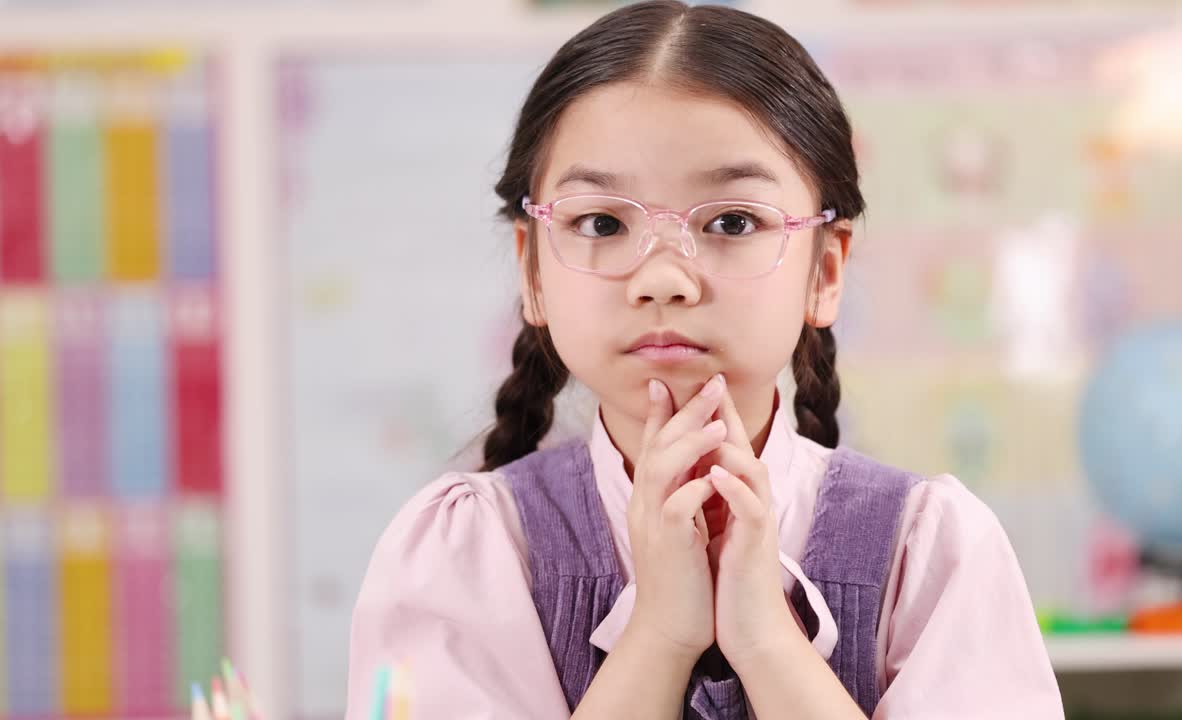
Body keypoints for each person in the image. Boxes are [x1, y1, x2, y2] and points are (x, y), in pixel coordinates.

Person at [347, 2, 1063, 717]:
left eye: (732, 221)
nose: (664, 278)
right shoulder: (465, 554)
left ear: (825, 271)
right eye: (601, 222)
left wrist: (768, 642)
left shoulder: (928, 551)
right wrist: (658, 637)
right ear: (532, 268)